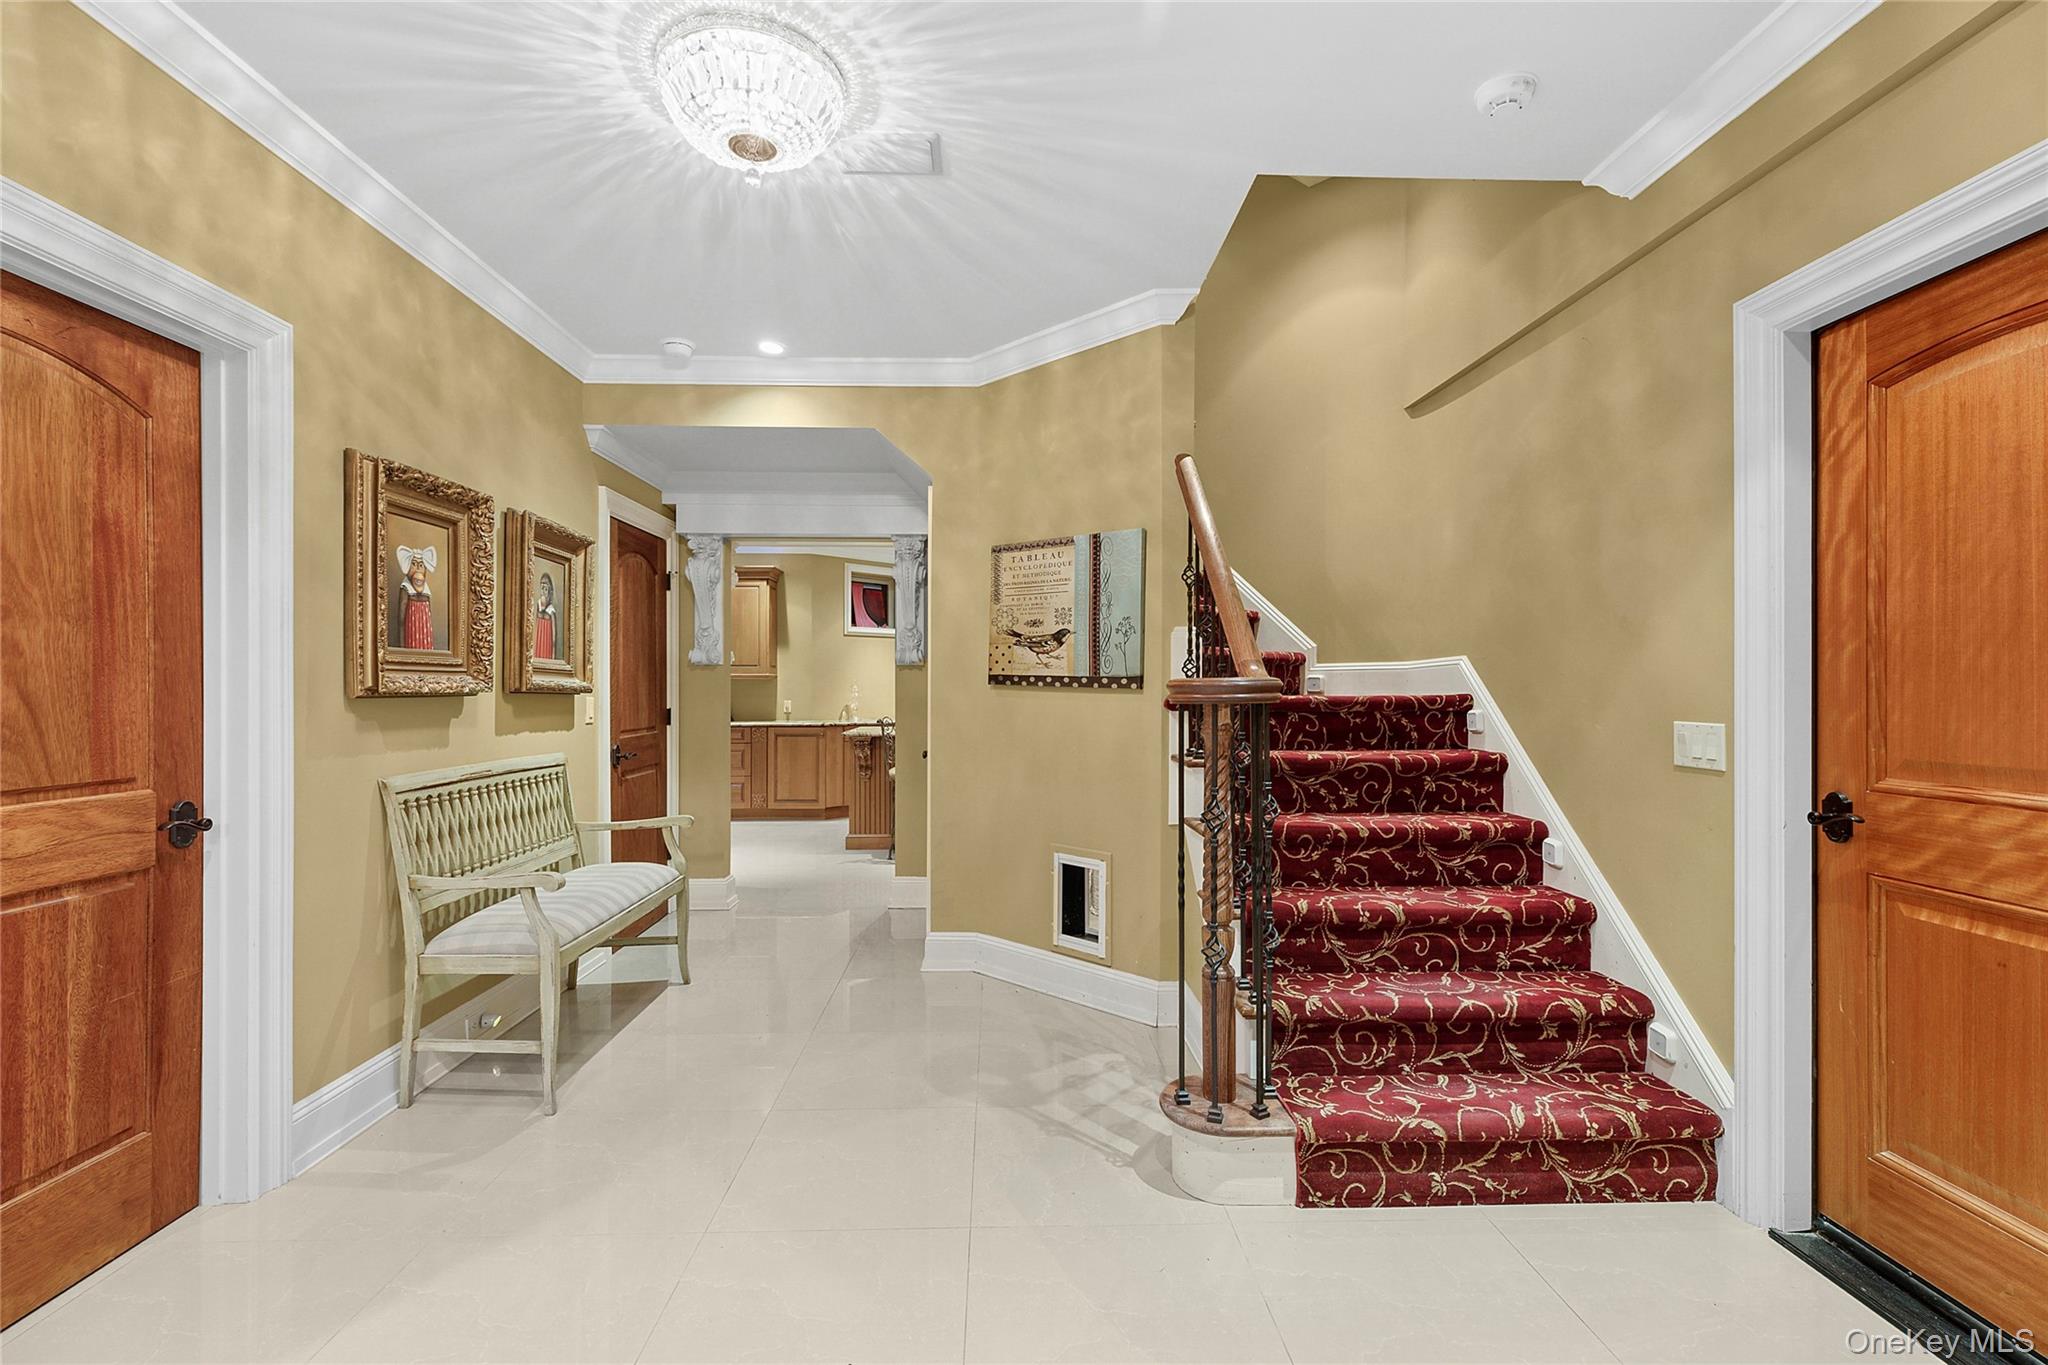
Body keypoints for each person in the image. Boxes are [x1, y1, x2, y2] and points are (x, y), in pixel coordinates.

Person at [394, 545, 437, 650]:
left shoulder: (426, 589)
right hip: (411, 630)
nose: (417, 568)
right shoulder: (406, 587)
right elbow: (401, 619)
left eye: (421, 565)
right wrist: (402, 645)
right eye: (414, 564)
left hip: (425, 632)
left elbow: (429, 614)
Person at [535, 571, 558, 660]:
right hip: (538, 643)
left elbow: (554, 638)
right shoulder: (538, 605)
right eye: (542, 588)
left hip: (547, 644)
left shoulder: (551, 610)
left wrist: (553, 658)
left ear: (549, 591)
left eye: (546, 589)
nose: (543, 592)